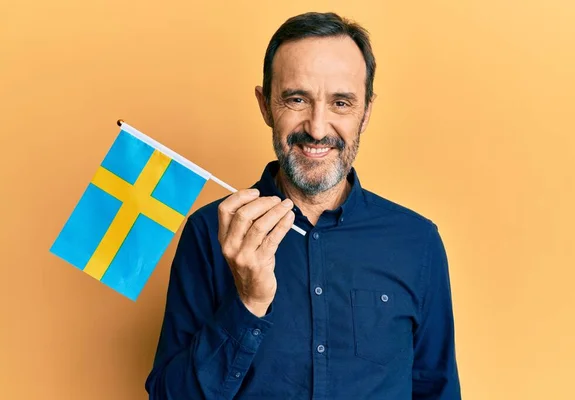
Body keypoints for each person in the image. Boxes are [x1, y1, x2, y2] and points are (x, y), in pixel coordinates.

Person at [145, 11, 461, 399]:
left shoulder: (417, 241)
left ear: (366, 112)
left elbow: (437, 389)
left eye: (341, 103)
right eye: (296, 99)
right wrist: (247, 303)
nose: (317, 127)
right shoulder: (210, 232)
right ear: (265, 105)